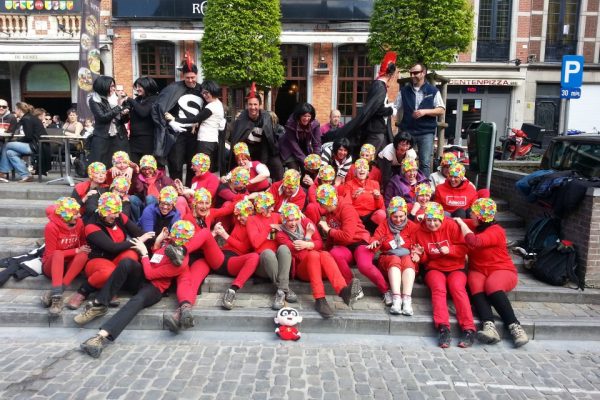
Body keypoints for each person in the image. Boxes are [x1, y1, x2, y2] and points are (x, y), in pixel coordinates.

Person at [77, 220, 195, 358]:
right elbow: (156, 259)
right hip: (142, 278)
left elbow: (150, 274)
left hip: (154, 288)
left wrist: (144, 253)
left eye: (179, 236)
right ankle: (100, 303)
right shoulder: (169, 244)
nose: (174, 237)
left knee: (137, 300)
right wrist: (158, 242)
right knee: (127, 262)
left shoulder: (181, 262)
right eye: (175, 233)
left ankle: (100, 337)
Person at [454, 198, 529, 347]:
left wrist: (462, 224)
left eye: (473, 213)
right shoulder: (474, 225)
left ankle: (515, 327)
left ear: (481, 217)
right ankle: (489, 326)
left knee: (492, 286)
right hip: (478, 270)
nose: (470, 215)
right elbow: (450, 223)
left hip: (501, 269)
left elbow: (474, 241)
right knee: (475, 285)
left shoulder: (496, 231)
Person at [65, 192, 155, 310]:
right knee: (108, 272)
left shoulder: (120, 217)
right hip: (97, 260)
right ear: (104, 212)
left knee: (132, 255)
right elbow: (112, 247)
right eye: (114, 212)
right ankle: (83, 291)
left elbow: (139, 233)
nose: (117, 215)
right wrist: (138, 241)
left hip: (116, 258)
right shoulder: (91, 226)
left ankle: (109, 288)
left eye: (118, 211)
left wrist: (159, 239)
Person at [276, 203, 361, 318]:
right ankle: (320, 299)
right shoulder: (281, 234)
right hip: (303, 269)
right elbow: (298, 250)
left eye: (296, 219)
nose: (293, 223)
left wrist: (307, 244)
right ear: (284, 219)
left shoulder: (306, 222)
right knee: (314, 255)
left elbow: (320, 243)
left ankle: (343, 291)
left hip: (319, 267)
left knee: (324, 254)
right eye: (289, 220)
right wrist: (308, 237)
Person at [411, 202, 475, 348]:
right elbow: (424, 258)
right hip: (434, 268)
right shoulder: (419, 231)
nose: (432, 224)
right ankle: (443, 328)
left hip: (456, 267)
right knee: (438, 289)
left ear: (441, 218)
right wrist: (420, 255)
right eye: (429, 220)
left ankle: (468, 328)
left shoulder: (451, 226)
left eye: (435, 220)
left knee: (457, 288)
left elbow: (465, 248)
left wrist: (450, 250)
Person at [316, 184, 391, 305]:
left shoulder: (346, 209)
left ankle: (386, 290)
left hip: (360, 242)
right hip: (344, 246)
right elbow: (331, 237)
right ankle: (354, 288)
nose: (321, 206)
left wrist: (329, 230)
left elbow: (347, 235)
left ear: (329, 202)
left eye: (322, 203)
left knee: (364, 265)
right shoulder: (330, 213)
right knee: (334, 253)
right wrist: (326, 250)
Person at [152, 55, 204, 186]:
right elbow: (160, 107)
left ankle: (190, 190)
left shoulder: (202, 89)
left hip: (195, 133)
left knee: (194, 164)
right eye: (187, 78)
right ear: (183, 76)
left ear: (197, 75)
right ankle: (176, 190)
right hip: (177, 133)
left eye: (193, 77)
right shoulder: (173, 88)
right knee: (176, 164)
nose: (190, 80)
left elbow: (209, 108)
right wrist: (171, 122)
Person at [333, 51, 398, 153]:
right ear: (391, 74)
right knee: (367, 157)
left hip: (379, 131)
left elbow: (376, 106)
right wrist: (391, 110)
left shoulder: (378, 85)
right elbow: (377, 109)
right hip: (376, 131)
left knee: (382, 157)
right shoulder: (379, 87)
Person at [368, 197, 419, 315]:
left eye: (401, 216)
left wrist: (417, 253)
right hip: (388, 257)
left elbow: (418, 244)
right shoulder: (384, 225)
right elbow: (375, 239)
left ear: (406, 214)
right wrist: (375, 242)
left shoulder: (412, 226)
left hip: (407, 257)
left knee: (408, 260)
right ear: (390, 215)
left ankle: (407, 299)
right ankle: (396, 298)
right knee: (394, 259)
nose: (398, 219)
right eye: (395, 216)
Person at [40, 197, 89, 316]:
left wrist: (79, 251)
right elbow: (51, 254)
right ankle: (56, 300)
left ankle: (56, 291)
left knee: (84, 254)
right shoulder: (51, 227)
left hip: (69, 266)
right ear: (66, 215)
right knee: (58, 253)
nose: (79, 216)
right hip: (52, 266)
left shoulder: (79, 223)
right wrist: (75, 250)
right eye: (75, 214)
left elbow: (83, 244)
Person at [395, 62, 446, 177]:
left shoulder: (433, 91)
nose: (412, 75)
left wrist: (425, 111)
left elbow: (441, 110)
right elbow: (395, 107)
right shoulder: (404, 91)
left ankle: (424, 186)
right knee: (405, 161)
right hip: (408, 131)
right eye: (411, 73)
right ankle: (404, 184)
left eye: (416, 73)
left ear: (423, 73)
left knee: (425, 163)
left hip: (426, 132)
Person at [246, 191, 295, 310]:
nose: (273, 209)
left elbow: (291, 220)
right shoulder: (252, 220)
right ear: (261, 209)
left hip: (278, 261)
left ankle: (281, 291)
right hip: (263, 262)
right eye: (270, 207)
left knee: (284, 248)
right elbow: (255, 243)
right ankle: (285, 289)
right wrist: (269, 228)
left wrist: (299, 215)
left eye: (273, 206)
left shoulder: (276, 216)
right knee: (268, 253)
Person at [210, 199, 260, 311]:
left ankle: (232, 290)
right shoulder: (238, 221)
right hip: (221, 255)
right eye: (238, 215)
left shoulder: (253, 226)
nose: (238, 218)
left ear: (250, 214)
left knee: (254, 257)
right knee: (206, 235)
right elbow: (233, 202)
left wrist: (224, 235)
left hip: (233, 261)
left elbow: (244, 248)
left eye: (241, 215)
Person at [229, 83, 283, 181]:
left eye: (255, 104)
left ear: (260, 105)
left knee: (277, 166)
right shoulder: (242, 118)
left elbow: (268, 140)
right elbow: (237, 139)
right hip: (247, 150)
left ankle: (276, 187)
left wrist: (263, 162)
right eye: (250, 104)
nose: (253, 107)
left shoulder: (266, 117)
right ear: (247, 105)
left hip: (264, 148)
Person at [88, 75, 130, 168]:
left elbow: (125, 120)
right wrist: (118, 107)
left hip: (119, 135)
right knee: (100, 164)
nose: (114, 88)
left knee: (121, 163)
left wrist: (125, 113)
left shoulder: (117, 98)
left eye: (114, 86)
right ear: (103, 86)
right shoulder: (94, 100)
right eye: (111, 86)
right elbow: (102, 117)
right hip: (102, 135)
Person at [0, 102, 45, 183]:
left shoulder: (26, 119)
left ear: (19, 110)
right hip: (39, 145)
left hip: (35, 146)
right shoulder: (28, 117)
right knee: (10, 153)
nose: (15, 111)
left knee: (7, 145)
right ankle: (26, 175)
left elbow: (28, 137)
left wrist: (17, 141)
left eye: (15, 109)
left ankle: (2, 172)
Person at [339, 158, 385, 234]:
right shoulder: (348, 184)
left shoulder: (375, 184)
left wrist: (377, 197)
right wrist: (353, 196)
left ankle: (376, 235)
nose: (362, 170)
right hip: (356, 217)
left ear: (368, 172)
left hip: (371, 217)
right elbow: (346, 204)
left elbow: (380, 206)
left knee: (381, 214)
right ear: (355, 172)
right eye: (359, 168)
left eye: (364, 168)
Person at [279, 102, 321, 172]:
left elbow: (317, 143)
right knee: (294, 170)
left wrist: (316, 159)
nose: (306, 118)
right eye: (304, 116)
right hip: (289, 148)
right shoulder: (290, 123)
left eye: (309, 116)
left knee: (308, 170)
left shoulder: (315, 124)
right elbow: (293, 145)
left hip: (304, 147)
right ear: (299, 115)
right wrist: (305, 161)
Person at [127, 76, 159, 164]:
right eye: (136, 86)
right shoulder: (137, 99)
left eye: (140, 86)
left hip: (147, 139)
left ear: (147, 86)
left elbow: (143, 112)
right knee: (134, 165)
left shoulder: (154, 99)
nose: (137, 89)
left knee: (147, 166)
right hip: (134, 138)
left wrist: (129, 99)